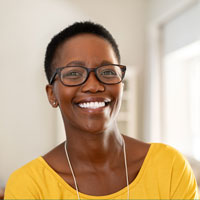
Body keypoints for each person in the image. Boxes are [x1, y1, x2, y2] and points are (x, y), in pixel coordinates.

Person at [4, 21, 199, 199]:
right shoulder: (29, 186)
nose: (93, 86)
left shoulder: (169, 167)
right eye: (73, 73)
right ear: (51, 94)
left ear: (121, 84)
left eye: (107, 72)